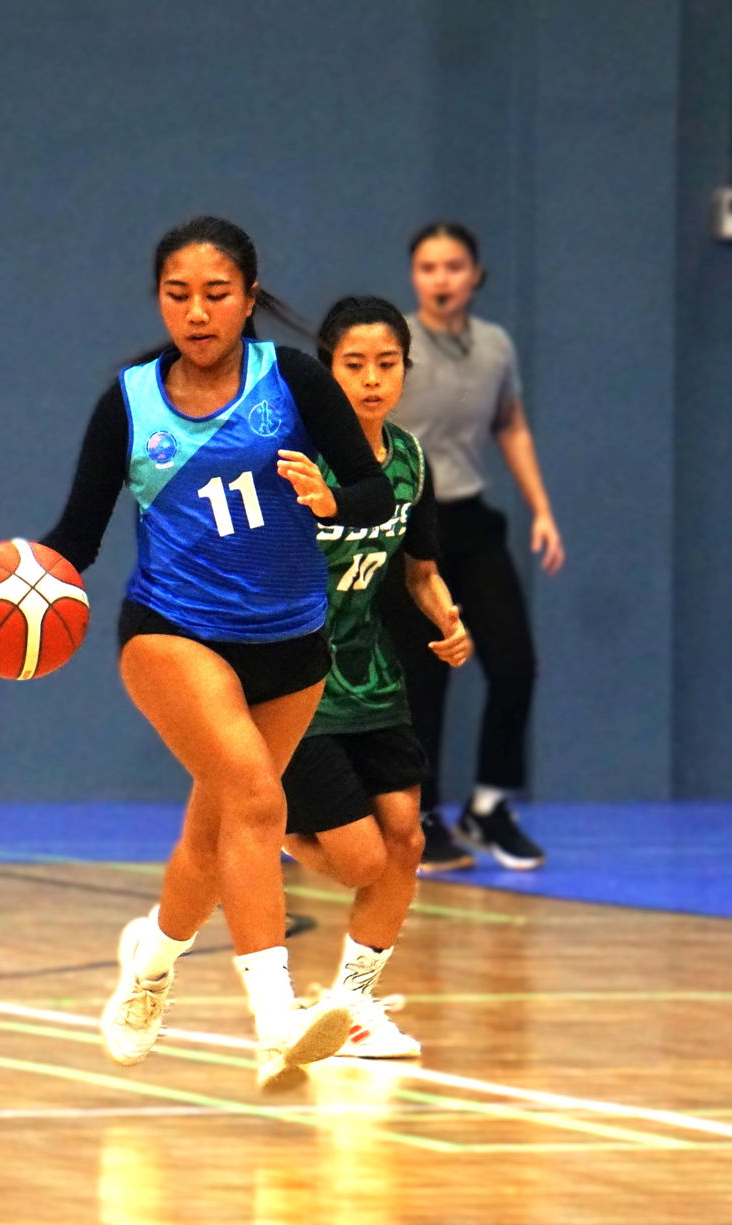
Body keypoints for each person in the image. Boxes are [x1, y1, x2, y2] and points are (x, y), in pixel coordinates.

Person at [38, 216, 395, 1090]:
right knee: (255, 794)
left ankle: (150, 964)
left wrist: (330, 497)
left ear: (247, 295)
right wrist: (20, 583)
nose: (196, 312)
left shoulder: (296, 380)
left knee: (215, 836)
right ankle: (276, 1019)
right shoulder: (131, 399)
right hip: (173, 631)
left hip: (290, 642)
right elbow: (76, 538)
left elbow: (373, 490)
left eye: (215, 293)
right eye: (177, 294)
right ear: (160, 299)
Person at [279, 295, 471, 1058]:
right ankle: (260, 827)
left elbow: (420, 572)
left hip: (373, 673)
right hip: (297, 677)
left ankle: (353, 1005)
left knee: (406, 841)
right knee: (360, 857)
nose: (370, 379)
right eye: (353, 364)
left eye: (386, 364)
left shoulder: (409, 459)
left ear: (405, 370)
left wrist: (449, 621)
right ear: (327, 370)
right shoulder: (296, 460)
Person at [381, 221, 565, 873]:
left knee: (515, 663)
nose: (442, 278)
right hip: (406, 529)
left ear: (475, 273)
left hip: (473, 522)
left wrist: (542, 509)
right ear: (414, 276)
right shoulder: (390, 346)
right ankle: (421, 817)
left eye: (454, 265)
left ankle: (488, 807)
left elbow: (510, 424)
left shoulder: (496, 347)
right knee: (422, 683)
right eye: (429, 266)